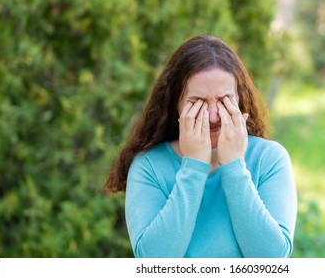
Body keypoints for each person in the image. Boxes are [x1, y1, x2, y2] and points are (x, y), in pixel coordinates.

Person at [104, 35, 297, 258]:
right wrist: (193, 166)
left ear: (239, 99)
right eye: (198, 103)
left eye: (225, 100)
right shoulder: (149, 167)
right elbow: (154, 262)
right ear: (175, 104)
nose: (213, 116)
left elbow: (272, 258)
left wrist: (234, 166)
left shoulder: (269, 158)